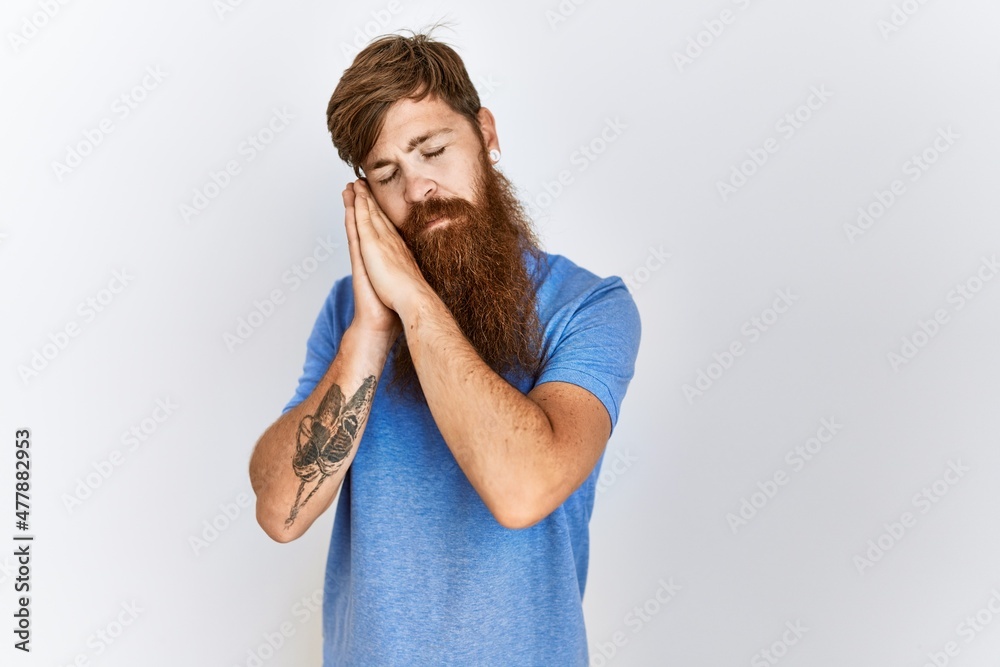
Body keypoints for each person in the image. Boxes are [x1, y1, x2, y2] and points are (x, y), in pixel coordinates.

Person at [248, 28, 641, 666]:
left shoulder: (589, 306)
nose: (419, 189)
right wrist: (372, 333)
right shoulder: (351, 315)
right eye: (387, 173)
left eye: (433, 150)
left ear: (485, 133)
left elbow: (521, 491)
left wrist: (415, 304)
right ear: (365, 198)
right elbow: (280, 514)